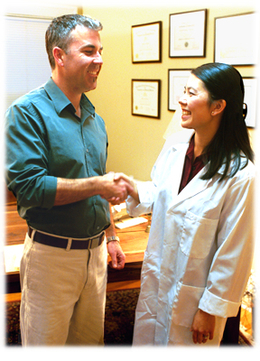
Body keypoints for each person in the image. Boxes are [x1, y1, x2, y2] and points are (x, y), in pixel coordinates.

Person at [5, 14, 132, 346]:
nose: (99, 60)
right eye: (89, 51)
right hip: (52, 258)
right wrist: (98, 185)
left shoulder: (95, 119)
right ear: (59, 55)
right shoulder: (26, 112)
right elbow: (30, 188)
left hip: (96, 254)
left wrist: (112, 236)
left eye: (100, 51)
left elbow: (98, 184)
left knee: (89, 345)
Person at [116, 63, 255, 345]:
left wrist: (209, 309)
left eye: (191, 92)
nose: (181, 99)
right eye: (183, 90)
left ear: (217, 107)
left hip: (196, 303)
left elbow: (234, 251)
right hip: (158, 282)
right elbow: (162, 193)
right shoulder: (176, 148)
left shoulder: (241, 175)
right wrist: (133, 189)